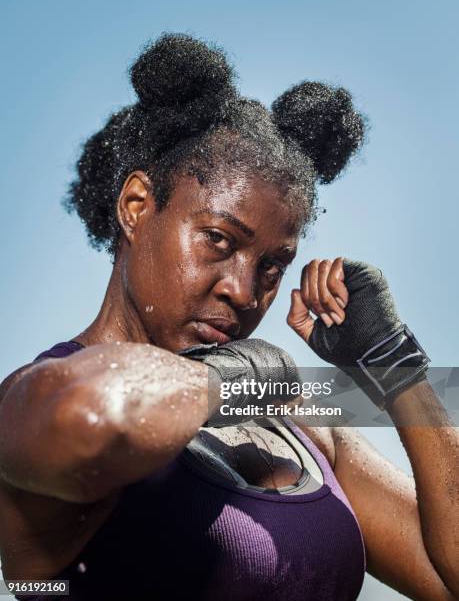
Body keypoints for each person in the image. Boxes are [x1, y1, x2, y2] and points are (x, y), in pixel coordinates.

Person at [0, 33, 457, 601]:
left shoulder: (300, 426)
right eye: (217, 239)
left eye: (272, 266)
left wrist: (396, 364)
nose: (245, 291)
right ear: (136, 205)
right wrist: (239, 373)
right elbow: (98, 420)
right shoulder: (33, 397)